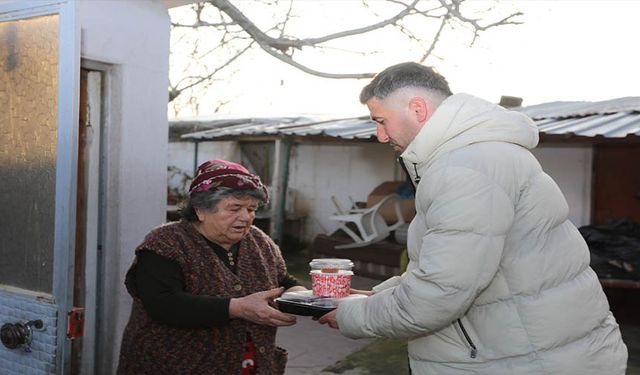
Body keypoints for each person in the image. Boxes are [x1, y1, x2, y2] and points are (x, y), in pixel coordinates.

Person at [319, 62, 628, 374]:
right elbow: (463, 269)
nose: (381, 136)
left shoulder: (464, 169)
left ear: (417, 109)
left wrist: (350, 316)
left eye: (382, 121)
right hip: (536, 351)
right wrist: (376, 296)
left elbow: (439, 295)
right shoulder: (482, 154)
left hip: (525, 360)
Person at [117, 159, 305, 375]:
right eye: (235, 208)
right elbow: (163, 304)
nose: (246, 217)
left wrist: (311, 300)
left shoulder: (259, 242)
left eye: (251, 209)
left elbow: (284, 283)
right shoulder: (165, 243)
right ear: (200, 211)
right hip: (170, 366)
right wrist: (238, 308)